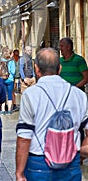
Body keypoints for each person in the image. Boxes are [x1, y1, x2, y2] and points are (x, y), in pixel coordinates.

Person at [15, 47, 88, 181]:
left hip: (39, 162)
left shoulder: (31, 95)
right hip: (71, 161)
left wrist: (19, 172)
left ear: (36, 69)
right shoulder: (79, 95)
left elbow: (24, 137)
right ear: (59, 68)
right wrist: (81, 151)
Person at [0, 46, 15, 115]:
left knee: (3, 94)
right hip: (10, 79)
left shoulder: (0, 60)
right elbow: (13, 71)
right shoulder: (11, 61)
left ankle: (3, 109)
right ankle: (9, 109)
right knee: (10, 94)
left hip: (2, 79)